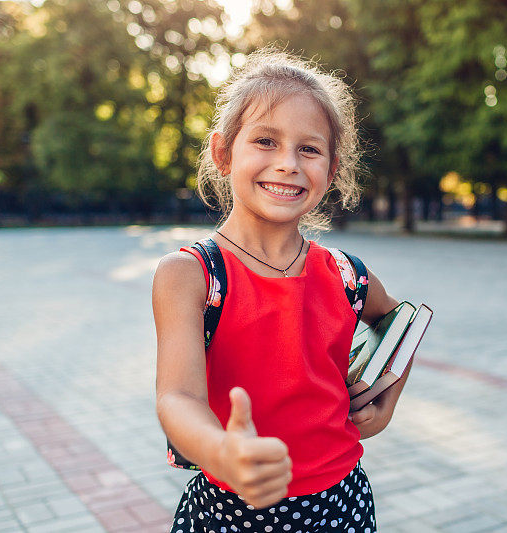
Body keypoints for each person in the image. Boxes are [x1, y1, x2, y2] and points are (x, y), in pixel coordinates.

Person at [152, 48, 410, 533]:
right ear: (223, 152)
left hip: (344, 506)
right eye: (266, 141)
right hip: (230, 513)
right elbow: (177, 397)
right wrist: (221, 450)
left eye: (309, 149)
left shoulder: (346, 274)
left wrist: (387, 398)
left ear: (330, 170)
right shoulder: (191, 275)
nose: (288, 163)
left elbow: (402, 322)